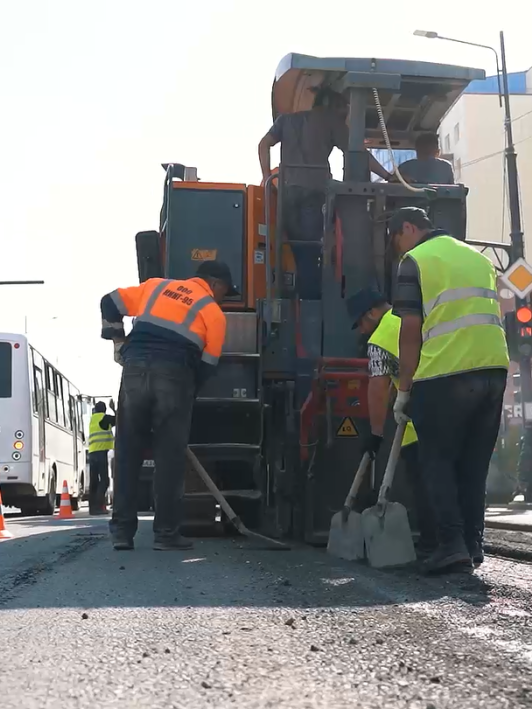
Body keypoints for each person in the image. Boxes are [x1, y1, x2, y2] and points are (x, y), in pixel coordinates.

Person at [387, 207, 509, 575]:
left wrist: (404, 389)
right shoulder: (478, 257)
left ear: (408, 228)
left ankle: (451, 544)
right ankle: (473, 544)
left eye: (395, 239)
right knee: (473, 465)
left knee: (436, 460)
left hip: (445, 373)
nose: (396, 248)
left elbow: (410, 330)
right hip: (493, 369)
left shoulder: (415, 261)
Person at [100, 260, 235, 551]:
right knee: (169, 460)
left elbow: (109, 302)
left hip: (133, 371)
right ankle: (165, 534)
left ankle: (122, 533)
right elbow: (208, 365)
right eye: (225, 291)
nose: (223, 297)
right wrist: (187, 394)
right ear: (216, 285)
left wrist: (118, 342)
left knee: (127, 452)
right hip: (175, 377)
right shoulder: (213, 313)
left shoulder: (155, 287)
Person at [258, 87, 394, 300]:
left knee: (297, 249)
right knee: (313, 252)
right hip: (315, 192)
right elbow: (358, 153)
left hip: (288, 191)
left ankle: (299, 296)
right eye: (343, 109)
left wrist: (267, 177)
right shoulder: (332, 122)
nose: (345, 114)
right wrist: (387, 175)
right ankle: (311, 301)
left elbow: (263, 144)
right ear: (331, 105)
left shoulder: (286, 120)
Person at [347, 288, 436, 556]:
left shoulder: (381, 336)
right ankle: (465, 545)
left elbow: (378, 388)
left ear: (373, 312)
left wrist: (375, 434)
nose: (362, 331)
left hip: (418, 424)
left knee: (424, 485)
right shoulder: (419, 316)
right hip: (450, 410)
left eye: (362, 322)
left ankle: (433, 545)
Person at [86, 401, 115, 515]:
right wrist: (114, 409)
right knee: (104, 481)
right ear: (104, 410)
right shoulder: (104, 418)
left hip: (92, 453)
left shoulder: (93, 419)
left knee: (94, 482)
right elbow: (119, 419)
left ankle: (92, 508)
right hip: (100, 454)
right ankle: (99, 506)